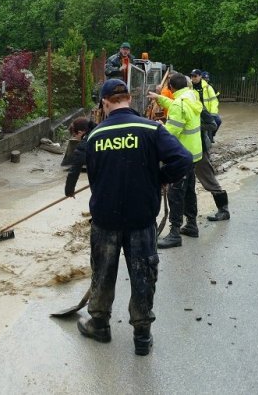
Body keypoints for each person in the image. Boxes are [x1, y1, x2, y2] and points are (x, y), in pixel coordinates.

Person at [78, 78, 191, 356]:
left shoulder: (94, 137)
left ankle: (100, 325)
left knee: (103, 274)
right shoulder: (151, 129)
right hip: (141, 220)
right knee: (142, 275)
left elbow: (93, 177)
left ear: (105, 103)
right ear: (129, 99)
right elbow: (184, 160)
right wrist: (160, 179)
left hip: (105, 221)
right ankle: (142, 336)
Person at [148, 72, 203, 249]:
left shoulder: (179, 104)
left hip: (181, 155)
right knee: (189, 190)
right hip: (194, 153)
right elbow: (176, 105)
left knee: (175, 193)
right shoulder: (191, 96)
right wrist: (159, 98)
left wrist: (159, 128)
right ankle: (192, 225)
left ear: (171, 88)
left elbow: (171, 133)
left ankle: (174, 233)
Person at [63, 116, 96, 197]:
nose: (76, 138)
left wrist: (69, 192)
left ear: (80, 132)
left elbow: (74, 172)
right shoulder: (102, 132)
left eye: (75, 135)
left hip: (100, 184)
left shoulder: (83, 146)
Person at [191, 69, 221, 139]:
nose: (193, 78)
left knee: (218, 121)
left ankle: (212, 136)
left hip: (207, 112)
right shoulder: (189, 87)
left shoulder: (208, 87)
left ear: (200, 76)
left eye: (195, 76)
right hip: (196, 112)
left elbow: (214, 101)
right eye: (192, 76)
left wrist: (213, 113)